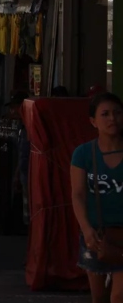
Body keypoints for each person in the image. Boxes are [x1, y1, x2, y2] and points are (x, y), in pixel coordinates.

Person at [70, 93, 123, 301]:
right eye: (105, 114)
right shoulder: (83, 154)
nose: (112, 118)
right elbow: (78, 194)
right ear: (93, 121)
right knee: (99, 298)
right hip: (96, 235)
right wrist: (86, 229)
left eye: (117, 113)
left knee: (119, 296)